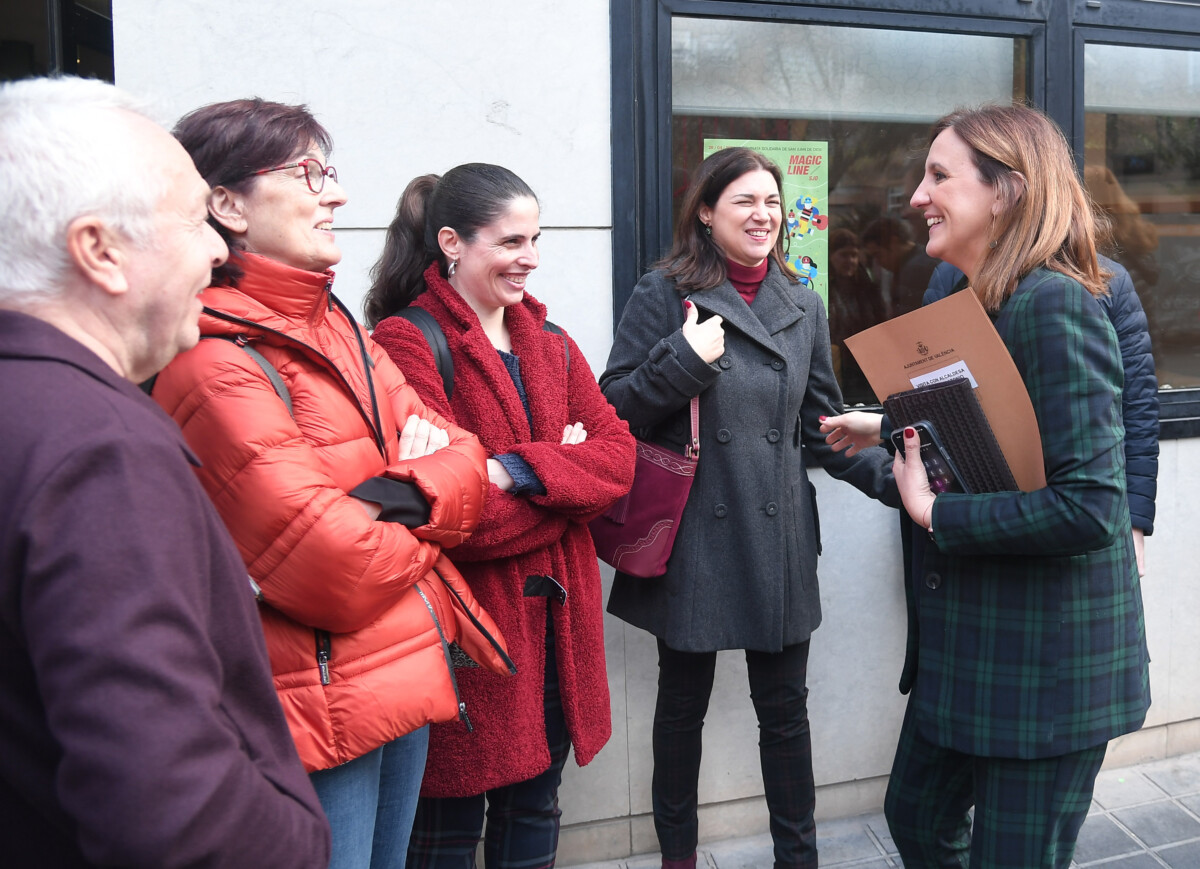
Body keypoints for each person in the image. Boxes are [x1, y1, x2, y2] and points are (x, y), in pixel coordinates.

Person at [153, 100, 514, 869]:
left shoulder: (335, 323)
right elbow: (329, 561)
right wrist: (424, 495)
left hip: (405, 675)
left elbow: (467, 455)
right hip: (316, 703)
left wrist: (386, 494)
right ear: (226, 204)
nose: (336, 194)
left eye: (331, 171)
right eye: (308, 173)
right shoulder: (213, 355)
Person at [0, 77, 330, 867]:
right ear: (100, 251)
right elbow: (176, 815)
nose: (219, 247)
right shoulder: (99, 449)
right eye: (192, 219)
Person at [823, 104, 1151, 868]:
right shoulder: (974, 299)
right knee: (915, 815)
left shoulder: (1056, 302)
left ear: (1006, 192)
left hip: (1043, 668)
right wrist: (888, 421)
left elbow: (1091, 506)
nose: (915, 196)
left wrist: (938, 512)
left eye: (939, 175)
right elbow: (996, 426)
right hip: (971, 650)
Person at [599, 147, 899, 869]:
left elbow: (821, 428)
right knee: (681, 709)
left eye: (772, 201)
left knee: (785, 715)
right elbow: (614, 406)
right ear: (706, 211)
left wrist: (907, 484)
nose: (763, 214)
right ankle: (679, 856)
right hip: (697, 535)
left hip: (778, 536)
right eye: (745, 201)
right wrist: (684, 357)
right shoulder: (665, 293)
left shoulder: (802, 301)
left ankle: (798, 857)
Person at [365, 164, 636, 869]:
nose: (532, 258)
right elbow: (451, 516)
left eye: (536, 238)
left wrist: (514, 469)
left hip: (555, 636)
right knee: (445, 833)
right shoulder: (406, 343)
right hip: (468, 640)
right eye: (512, 241)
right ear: (451, 242)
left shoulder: (552, 343)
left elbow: (619, 462)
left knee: (534, 816)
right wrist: (564, 486)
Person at [925, 255, 1159, 576]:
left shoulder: (1102, 275)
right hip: (973, 506)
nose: (919, 201)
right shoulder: (951, 277)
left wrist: (1136, 521)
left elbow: (1138, 406)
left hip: (1074, 509)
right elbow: (933, 390)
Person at [826, 227, 884, 405]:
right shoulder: (824, 286)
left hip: (863, 358)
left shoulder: (867, 287)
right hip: (834, 358)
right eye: (843, 255)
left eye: (854, 255)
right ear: (830, 256)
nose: (850, 261)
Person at [861, 215, 939, 318]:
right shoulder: (926, 257)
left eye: (878, 255)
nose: (878, 263)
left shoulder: (914, 271)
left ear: (894, 242)